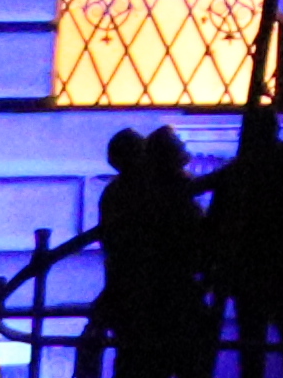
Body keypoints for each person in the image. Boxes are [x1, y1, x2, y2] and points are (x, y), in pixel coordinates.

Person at [208, 106, 283, 378]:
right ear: (276, 131)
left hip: (248, 279)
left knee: (251, 354)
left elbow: (213, 229)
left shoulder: (232, 178)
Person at [90, 124, 213, 378]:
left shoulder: (119, 193)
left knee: (139, 363)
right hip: (163, 297)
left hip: (136, 297)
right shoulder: (154, 191)